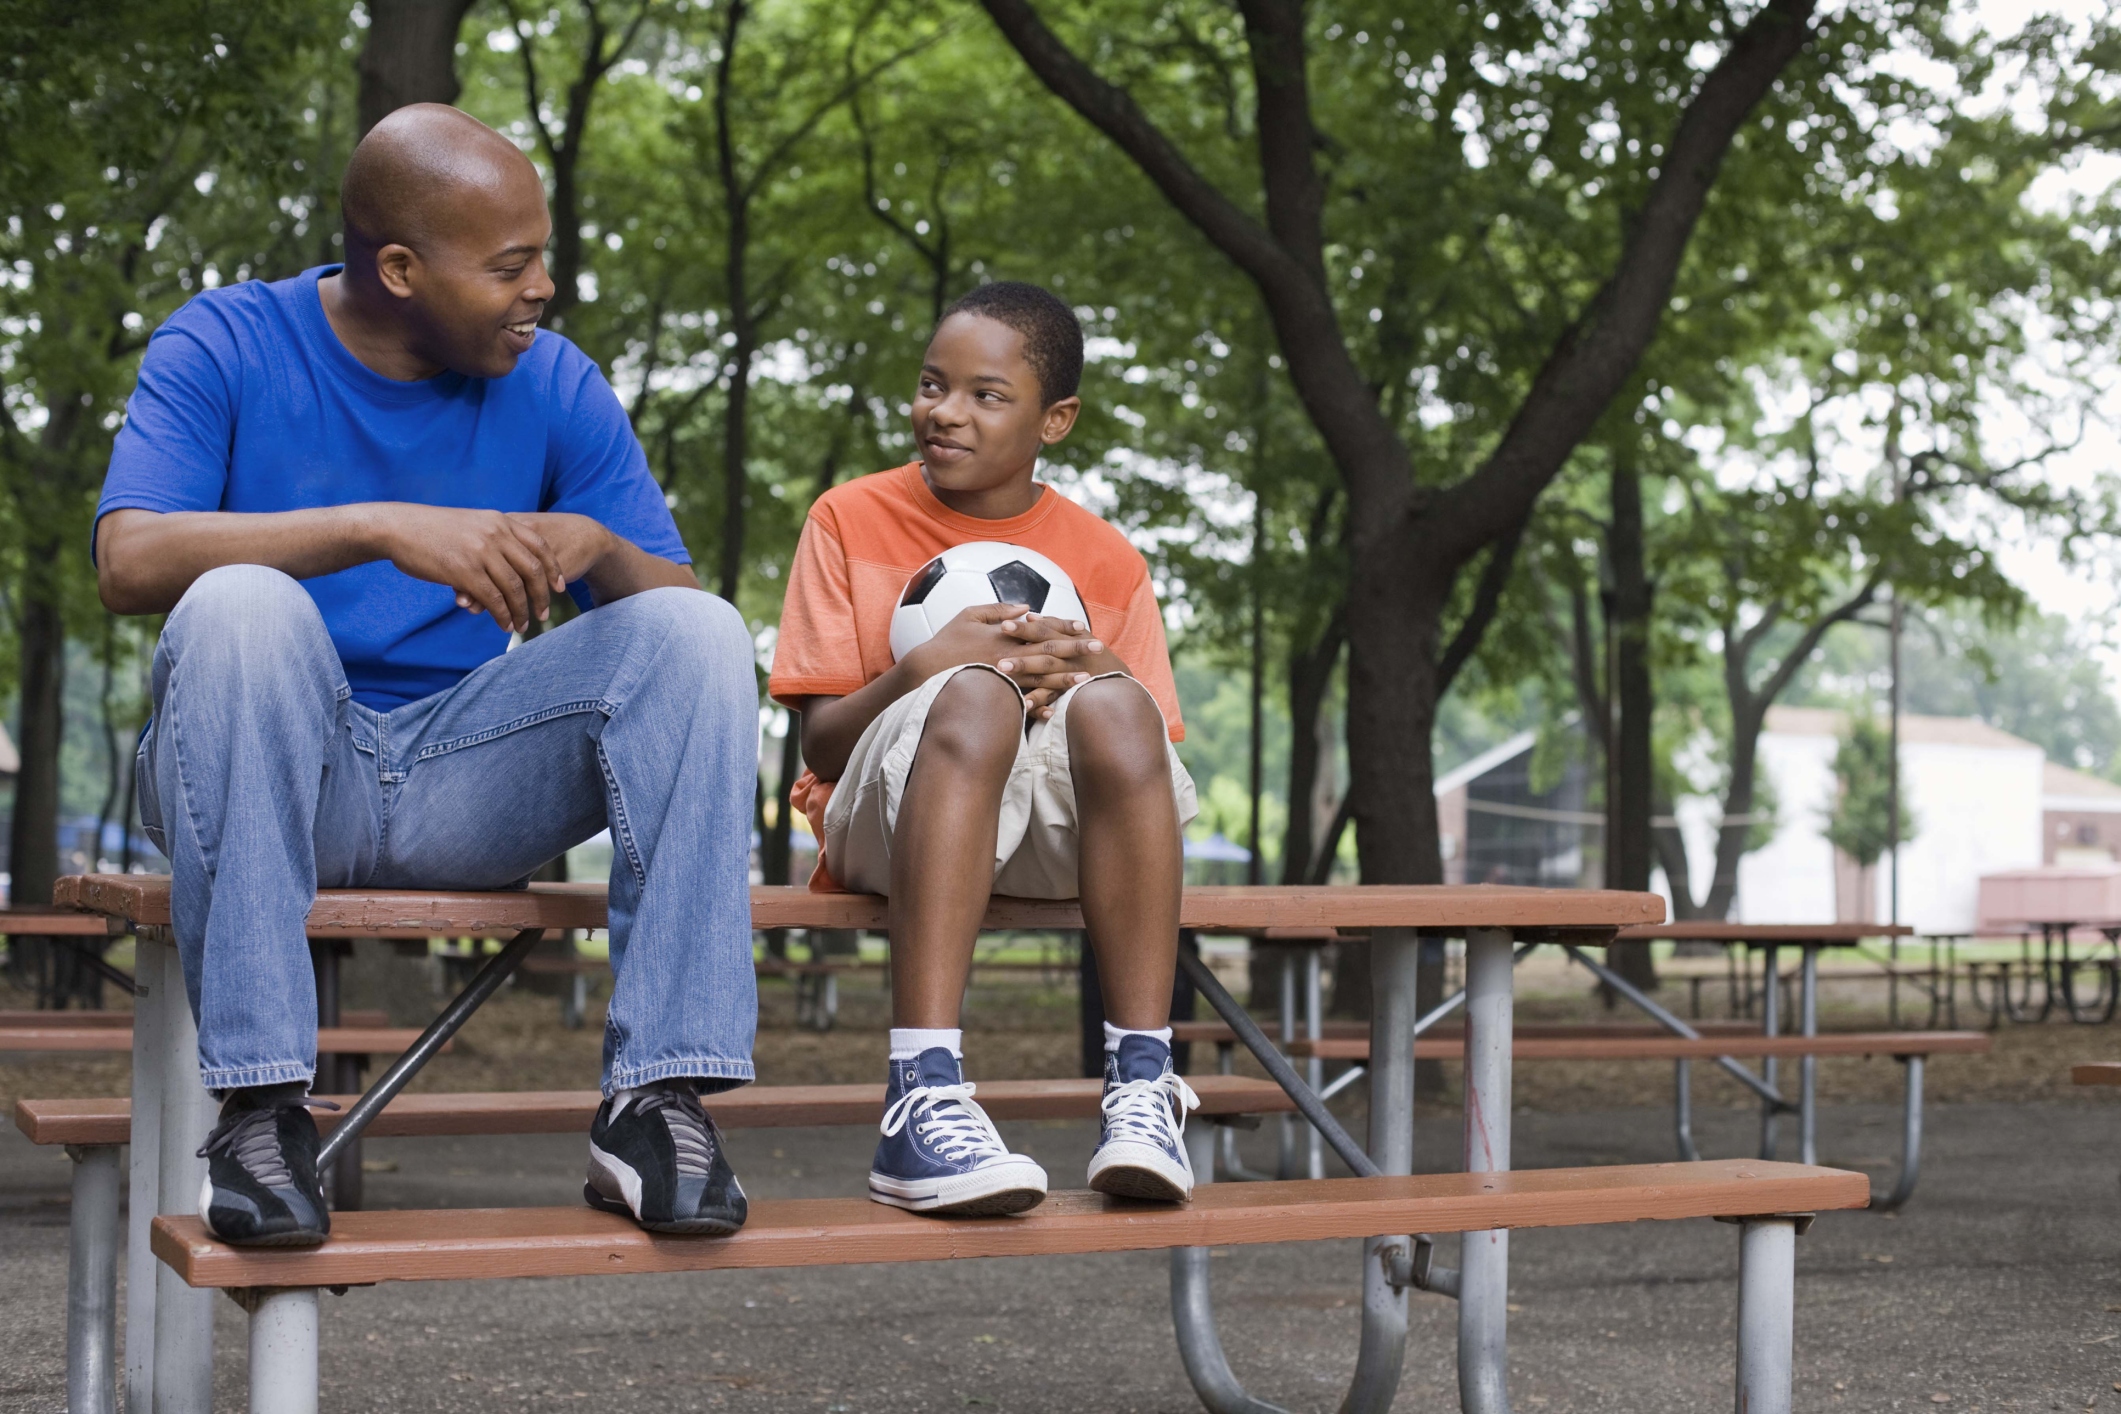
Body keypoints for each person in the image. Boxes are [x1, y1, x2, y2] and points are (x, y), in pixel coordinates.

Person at [94, 105, 758, 1246]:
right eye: (511, 266)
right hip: (269, 770)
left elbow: (675, 640)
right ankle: (259, 1109)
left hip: (461, 770)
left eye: (541, 255)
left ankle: (656, 1100)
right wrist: (376, 526)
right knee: (243, 604)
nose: (543, 287)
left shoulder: (552, 381)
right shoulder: (225, 341)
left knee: (700, 632)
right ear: (400, 268)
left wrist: (596, 544)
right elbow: (129, 558)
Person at [769, 282, 1199, 1215]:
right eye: (932, 386)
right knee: (971, 695)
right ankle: (919, 1092)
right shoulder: (848, 518)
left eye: (985, 395)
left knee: (1122, 707)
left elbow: (1141, 768)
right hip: (887, 831)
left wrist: (1090, 670)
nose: (945, 413)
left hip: (1059, 846)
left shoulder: (1107, 559)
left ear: (1056, 421)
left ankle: (1141, 1082)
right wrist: (923, 665)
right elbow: (824, 745)